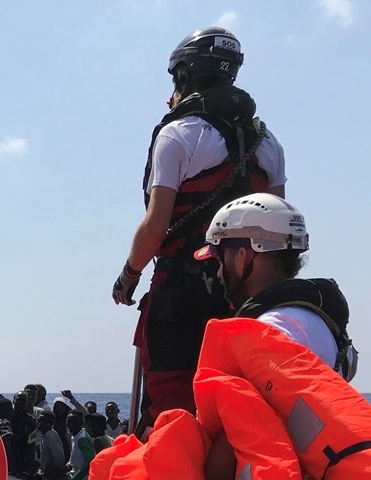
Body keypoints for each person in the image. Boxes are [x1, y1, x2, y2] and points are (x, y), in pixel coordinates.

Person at [113, 27, 286, 427]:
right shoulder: (268, 142)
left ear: (186, 75)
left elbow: (156, 225)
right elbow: (277, 222)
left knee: (170, 407)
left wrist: (128, 275)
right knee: (232, 403)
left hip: (180, 292)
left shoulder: (178, 134)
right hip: (247, 296)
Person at [195, 193, 356, 480]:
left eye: (220, 258)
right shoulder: (314, 319)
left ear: (244, 254)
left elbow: (232, 451)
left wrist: (190, 475)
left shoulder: (273, 331)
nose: (218, 272)